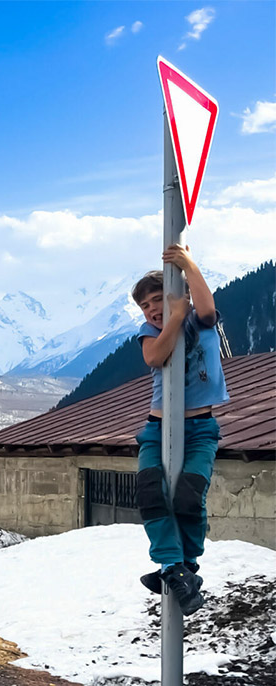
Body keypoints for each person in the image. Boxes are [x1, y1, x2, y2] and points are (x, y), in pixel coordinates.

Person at [132, 244, 229, 616]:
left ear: (177, 295)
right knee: (151, 493)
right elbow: (156, 357)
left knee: (190, 495)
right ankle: (171, 566)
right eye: (145, 306)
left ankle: (186, 565)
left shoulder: (199, 321)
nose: (152, 309)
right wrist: (172, 318)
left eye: (158, 300)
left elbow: (205, 308)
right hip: (157, 428)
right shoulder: (150, 331)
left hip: (200, 427)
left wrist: (188, 265)